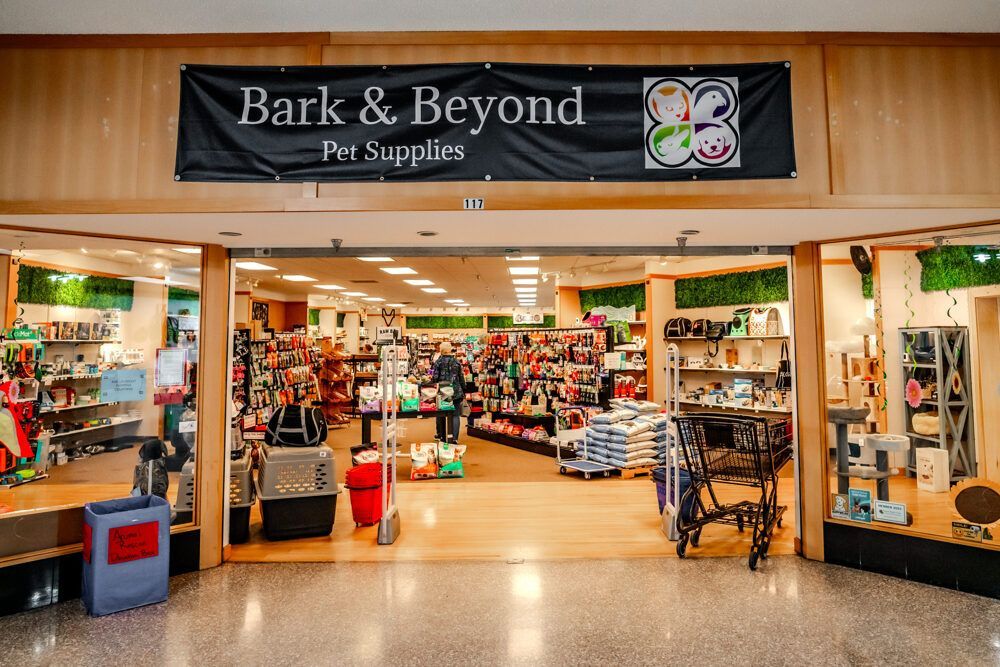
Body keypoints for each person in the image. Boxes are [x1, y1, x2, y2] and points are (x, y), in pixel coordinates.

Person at [430, 341, 465, 443]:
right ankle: (454, 438)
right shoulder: (456, 362)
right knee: (455, 415)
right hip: (455, 391)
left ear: (441, 350)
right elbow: (461, 377)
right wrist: (463, 388)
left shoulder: (438, 362)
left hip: (443, 391)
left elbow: (435, 378)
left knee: (441, 414)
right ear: (450, 349)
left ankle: (442, 436)